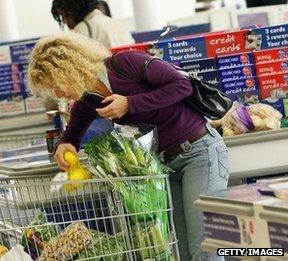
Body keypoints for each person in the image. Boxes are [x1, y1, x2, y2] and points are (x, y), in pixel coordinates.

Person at [27, 32, 229, 261]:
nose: (57, 94)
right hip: (166, 165)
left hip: (200, 152)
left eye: (56, 84)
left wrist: (130, 103)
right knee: (180, 249)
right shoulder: (88, 102)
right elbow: (70, 138)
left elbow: (182, 85)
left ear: (70, 69)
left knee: (203, 248)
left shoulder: (125, 64)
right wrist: (64, 147)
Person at [50, 0, 134, 146]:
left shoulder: (81, 30)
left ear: (68, 10)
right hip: (131, 105)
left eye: (62, 16)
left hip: (106, 111)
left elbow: (68, 75)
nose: (65, 22)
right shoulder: (118, 25)